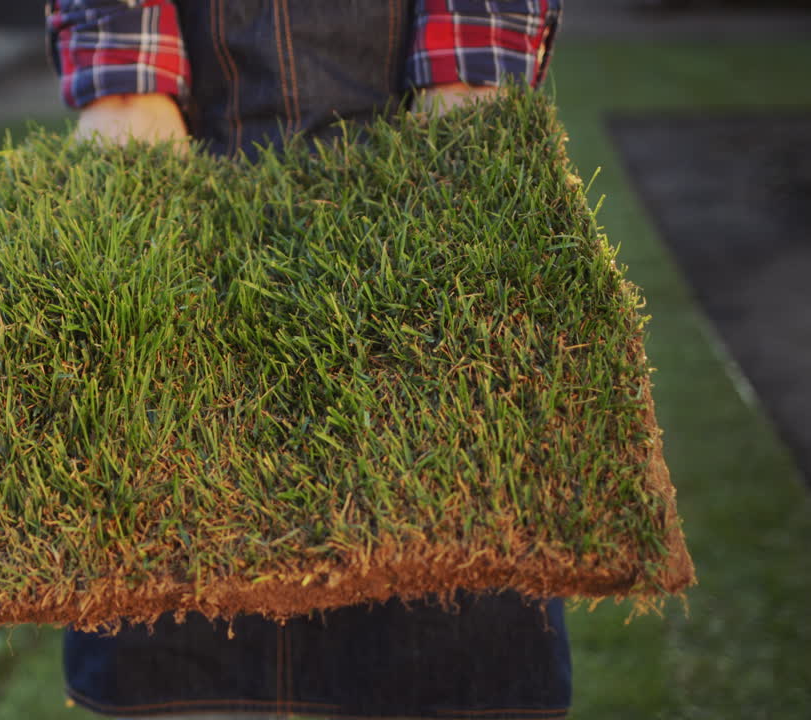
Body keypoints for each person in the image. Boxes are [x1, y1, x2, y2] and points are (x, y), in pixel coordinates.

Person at [44, 2, 569, 718]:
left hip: (419, 135)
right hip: (190, 129)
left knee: (459, 584)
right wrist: (124, 82)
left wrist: (474, 64)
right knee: (167, 622)